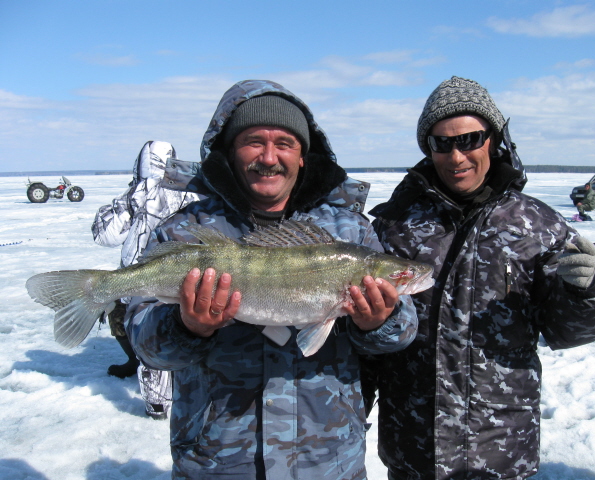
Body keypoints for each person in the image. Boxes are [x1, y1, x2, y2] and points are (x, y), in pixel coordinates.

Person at [125, 80, 418, 479]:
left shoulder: (351, 234)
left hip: (326, 461)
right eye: (252, 141)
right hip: (219, 461)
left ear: (302, 157)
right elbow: (148, 347)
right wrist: (187, 327)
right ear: (229, 151)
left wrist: (379, 323)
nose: (269, 156)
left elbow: (403, 332)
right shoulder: (186, 232)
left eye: (285, 143)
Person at [365, 76, 595, 479]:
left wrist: (594, 288)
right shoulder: (392, 227)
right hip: (413, 451)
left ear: (494, 140)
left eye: (469, 139)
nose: (455, 156)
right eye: (440, 143)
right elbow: (365, 347)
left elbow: (569, 332)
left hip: (500, 455)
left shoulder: (538, 225)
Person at [92, 140, 201, 419]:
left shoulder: (141, 193)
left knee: (147, 330)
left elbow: (106, 234)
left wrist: (128, 198)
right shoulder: (191, 192)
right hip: (181, 279)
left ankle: (157, 407)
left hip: (149, 279)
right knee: (166, 330)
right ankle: (147, 371)